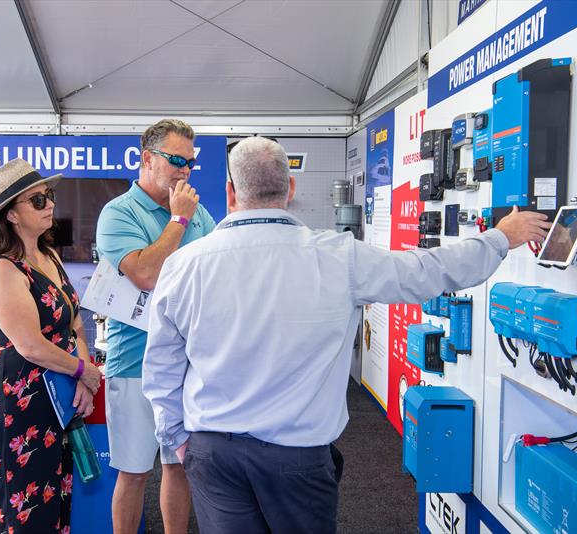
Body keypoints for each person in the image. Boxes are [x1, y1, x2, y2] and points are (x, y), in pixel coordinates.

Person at [142, 137, 552, 534]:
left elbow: (161, 368)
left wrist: (177, 440)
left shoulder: (183, 265)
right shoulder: (340, 256)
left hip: (215, 455)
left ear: (230, 193)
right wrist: (502, 236)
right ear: (291, 189)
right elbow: (429, 270)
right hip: (299, 458)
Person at [95, 119, 216, 534]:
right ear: (146, 159)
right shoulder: (118, 213)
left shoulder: (200, 214)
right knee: (133, 471)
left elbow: (217, 274)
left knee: (179, 466)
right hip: (135, 365)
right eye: (176, 160)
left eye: (191, 162)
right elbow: (145, 273)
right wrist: (178, 221)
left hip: (189, 364)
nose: (185, 170)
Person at [0, 158, 102, 534]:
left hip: (54, 397)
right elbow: (30, 346)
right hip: (15, 401)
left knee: (53, 507)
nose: (50, 205)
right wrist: (84, 371)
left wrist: (81, 376)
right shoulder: (2, 270)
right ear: (11, 214)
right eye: (38, 201)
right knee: (21, 515)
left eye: (49, 196)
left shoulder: (50, 257)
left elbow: (75, 322)